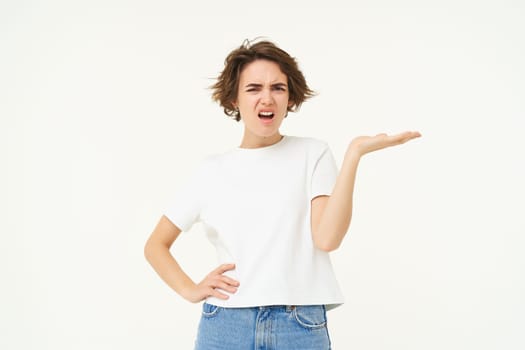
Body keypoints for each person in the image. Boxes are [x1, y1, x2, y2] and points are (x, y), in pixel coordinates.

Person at [144, 38, 421, 350]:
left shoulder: (312, 154)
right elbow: (156, 245)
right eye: (253, 88)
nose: (267, 98)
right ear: (234, 99)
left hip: (299, 325)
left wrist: (354, 154)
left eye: (278, 88)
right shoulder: (210, 171)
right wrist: (190, 289)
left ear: (290, 98)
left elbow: (328, 239)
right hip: (226, 325)